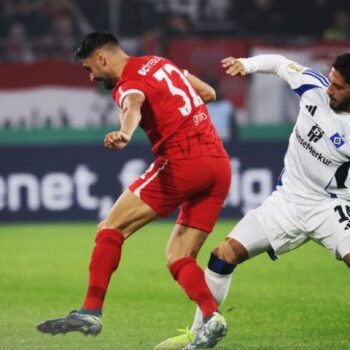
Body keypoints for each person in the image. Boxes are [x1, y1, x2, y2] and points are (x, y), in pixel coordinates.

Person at [36, 31, 232, 349]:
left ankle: (91, 310)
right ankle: (212, 317)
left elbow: (133, 104)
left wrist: (126, 133)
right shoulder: (161, 63)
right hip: (219, 165)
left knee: (110, 228)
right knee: (179, 256)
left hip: (183, 162)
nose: (91, 77)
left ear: (101, 58)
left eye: (89, 69)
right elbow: (207, 92)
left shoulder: (128, 83)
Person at [155, 53, 350, 349]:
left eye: (338, 87)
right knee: (222, 256)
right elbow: (281, 64)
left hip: (330, 207)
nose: (329, 90)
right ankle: (198, 336)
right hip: (287, 202)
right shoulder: (313, 87)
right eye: (331, 81)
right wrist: (246, 65)